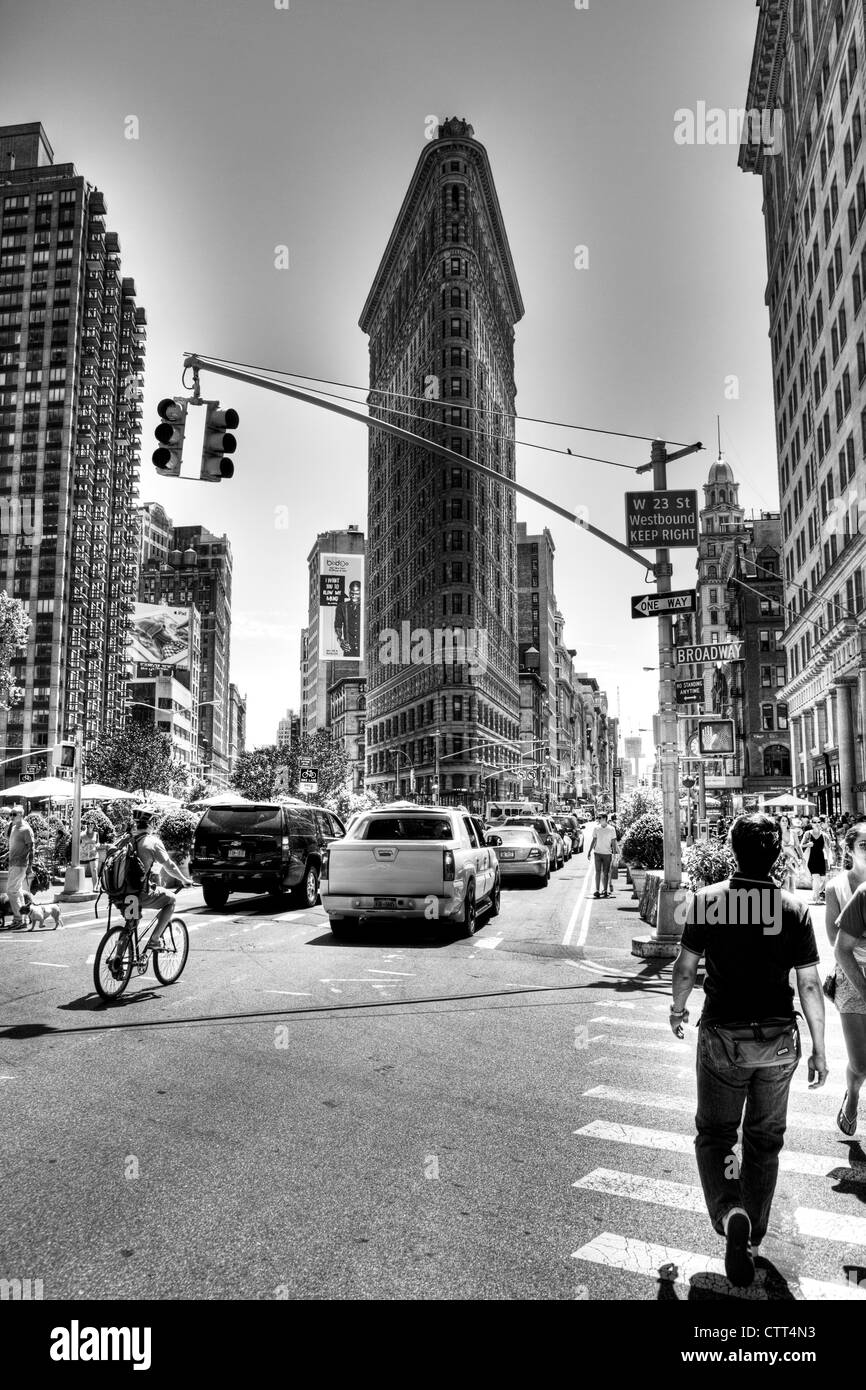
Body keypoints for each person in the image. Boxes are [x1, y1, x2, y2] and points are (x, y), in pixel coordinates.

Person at [670, 814, 827, 1288]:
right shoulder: (794, 909)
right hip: (778, 1042)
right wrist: (821, 1048)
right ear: (778, 854)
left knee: (717, 1135)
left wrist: (678, 1009)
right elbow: (810, 985)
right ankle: (753, 1234)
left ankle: (729, 1210)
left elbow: (684, 968)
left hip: (723, 1036)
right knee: (765, 1139)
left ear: (731, 849)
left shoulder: (707, 902)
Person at [829, 821, 866, 1136]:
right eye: (863, 845)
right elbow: (835, 942)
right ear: (850, 851)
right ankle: (853, 1094)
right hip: (851, 976)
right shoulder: (838, 887)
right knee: (862, 1063)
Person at [130, 805, 193, 946]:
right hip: (140, 893)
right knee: (171, 900)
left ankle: (120, 955)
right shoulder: (152, 842)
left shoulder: (124, 841)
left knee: (130, 926)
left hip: (120, 893)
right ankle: (154, 939)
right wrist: (184, 880)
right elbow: (169, 866)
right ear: (151, 823)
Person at [5, 805, 34, 930]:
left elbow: (31, 848)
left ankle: (18, 919)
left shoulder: (26, 829)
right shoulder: (13, 828)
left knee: (11, 890)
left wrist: (30, 867)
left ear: (21, 815)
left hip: (20, 864)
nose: (11, 816)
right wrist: (6, 855)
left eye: (14, 814)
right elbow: (14, 845)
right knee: (17, 890)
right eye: (10, 814)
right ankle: (24, 917)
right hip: (13, 863)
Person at [587, 812, 617, 899]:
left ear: (604, 819)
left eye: (600, 818)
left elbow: (613, 842)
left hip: (607, 854)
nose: (598, 820)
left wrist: (614, 854)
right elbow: (594, 840)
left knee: (606, 873)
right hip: (597, 853)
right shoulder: (596, 828)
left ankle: (605, 890)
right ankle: (597, 890)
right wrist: (589, 851)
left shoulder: (611, 829)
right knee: (597, 872)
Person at [801, 817, 827, 904]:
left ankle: (815, 894)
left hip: (821, 858)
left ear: (820, 823)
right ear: (811, 824)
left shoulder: (824, 834)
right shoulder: (807, 834)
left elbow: (828, 847)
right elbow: (801, 845)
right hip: (811, 858)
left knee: (823, 879)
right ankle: (817, 898)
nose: (816, 823)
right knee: (816, 878)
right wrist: (807, 844)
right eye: (814, 822)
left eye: (818, 822)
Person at [334, 580, 362, 658]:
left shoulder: (368, 606)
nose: (353, 596)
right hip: (349, 651)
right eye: (351, 593)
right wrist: (340, 640)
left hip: (365, 650)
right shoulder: (342, 607)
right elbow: (338, 626)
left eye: (356, 593)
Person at [778, 814, 802, 893]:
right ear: (779, 822)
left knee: (792, 884)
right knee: (785, 883)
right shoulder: (777, 833)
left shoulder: (793, 833)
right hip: (781, 861)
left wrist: (801, 858)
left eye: (786, 821)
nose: (784, 822)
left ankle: (791, 902)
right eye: (782, 820)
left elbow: (798, 846)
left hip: (792, 860)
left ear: (788, 822)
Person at [80, 816, 99, 882]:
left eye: (92, 823)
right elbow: (78, 843)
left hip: (93, 855)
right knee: (82, 873)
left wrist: (97, 845)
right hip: (83, 855)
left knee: (94, 871)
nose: (90, 824)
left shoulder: (96, 834)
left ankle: (95, 887)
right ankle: (80, 887)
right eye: (89, 823)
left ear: (94, 825)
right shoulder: (82, 834)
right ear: (87, 825)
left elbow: (97, 843)